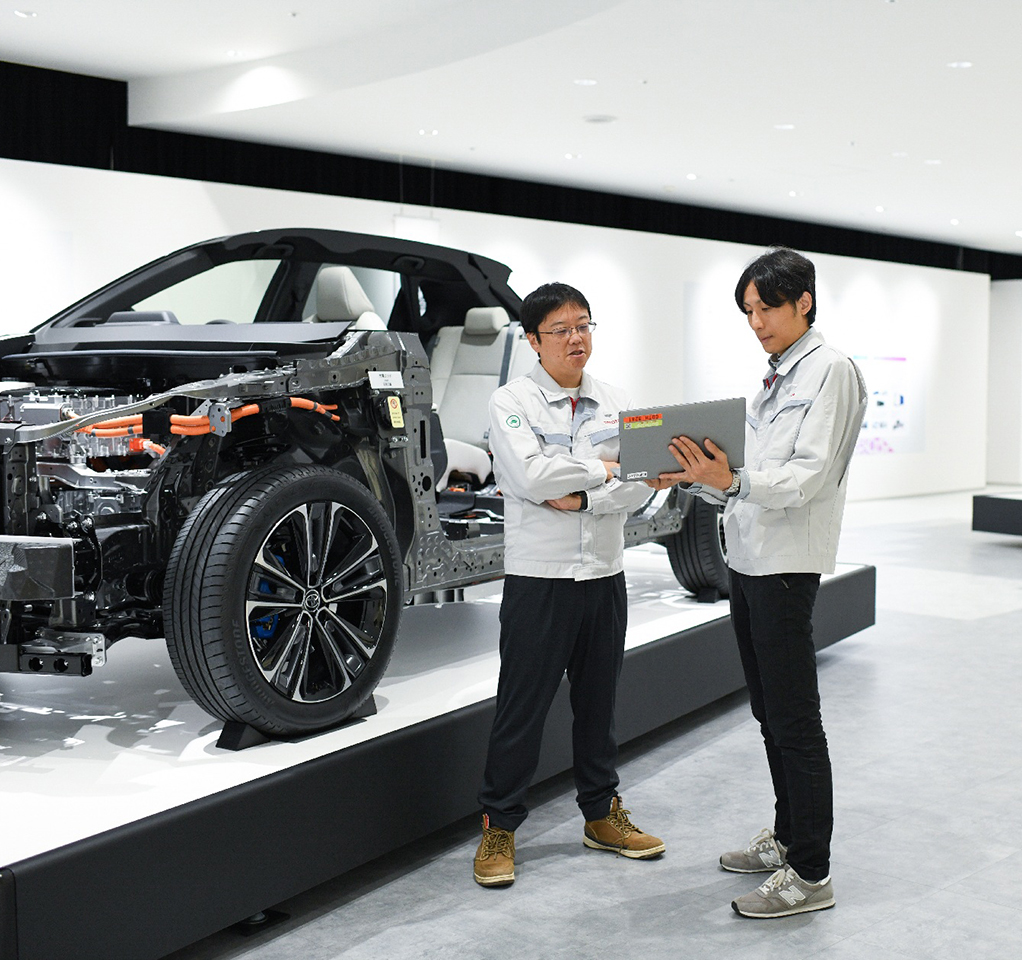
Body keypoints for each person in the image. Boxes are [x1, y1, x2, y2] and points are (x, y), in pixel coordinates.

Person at [652, 247, 866, 917]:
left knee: (796, 719)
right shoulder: (776, 373)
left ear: (804, 301)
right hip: (747, 559)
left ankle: (812, 873)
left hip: (784, 566)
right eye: (748, 311)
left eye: (766, 308)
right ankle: (789, 835)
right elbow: (745, 475)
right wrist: (703, 476)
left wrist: (734, 480)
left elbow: (808, 478)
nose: (756, 322)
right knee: (770, 712)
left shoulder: (830, 370)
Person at [473, 282, 664, 887]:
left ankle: (601, 814)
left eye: (584, 325)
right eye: (562, 329)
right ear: (532, 340)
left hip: (604, 575)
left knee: (599, 705)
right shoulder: (512, 400)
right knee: (520, 711)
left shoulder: (618, 400)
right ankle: (499, 827)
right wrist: (608, 472)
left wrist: (582, 492)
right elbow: (529, 475)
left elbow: (642, 483)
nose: (577, 338)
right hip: (541, 579)